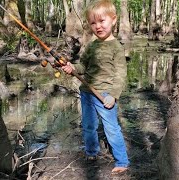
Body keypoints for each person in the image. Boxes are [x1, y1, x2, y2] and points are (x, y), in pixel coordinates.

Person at [61, 0, 129, 174]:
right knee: (88, 125)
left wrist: (113, 95)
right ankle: (91, 152)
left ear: (113, 20)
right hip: (87, 93)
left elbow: (120, 76)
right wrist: (73, 68)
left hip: (105, 95)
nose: (97, 26)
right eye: (93, 23)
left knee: (112, 128)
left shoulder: (116, 48)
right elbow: (83, 66)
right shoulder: (91, 44)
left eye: (102, 21)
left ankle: (122, 160)